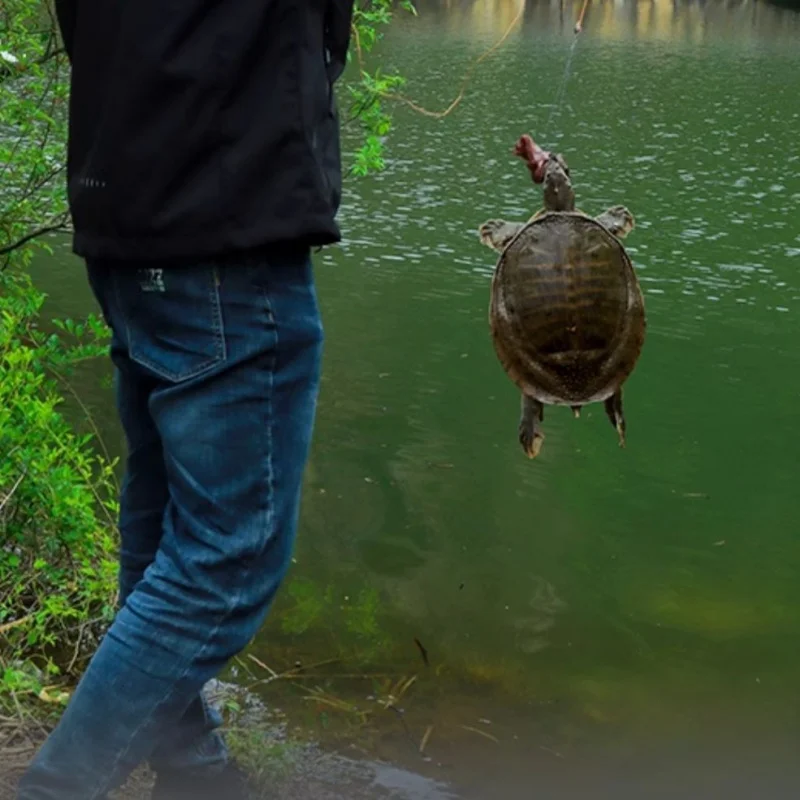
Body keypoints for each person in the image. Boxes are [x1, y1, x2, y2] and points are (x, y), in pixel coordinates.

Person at [17, 1, 355, 798]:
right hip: (220, 233)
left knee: (163, 532)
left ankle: (195, 774)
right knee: (226, 560)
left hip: (128, 215)